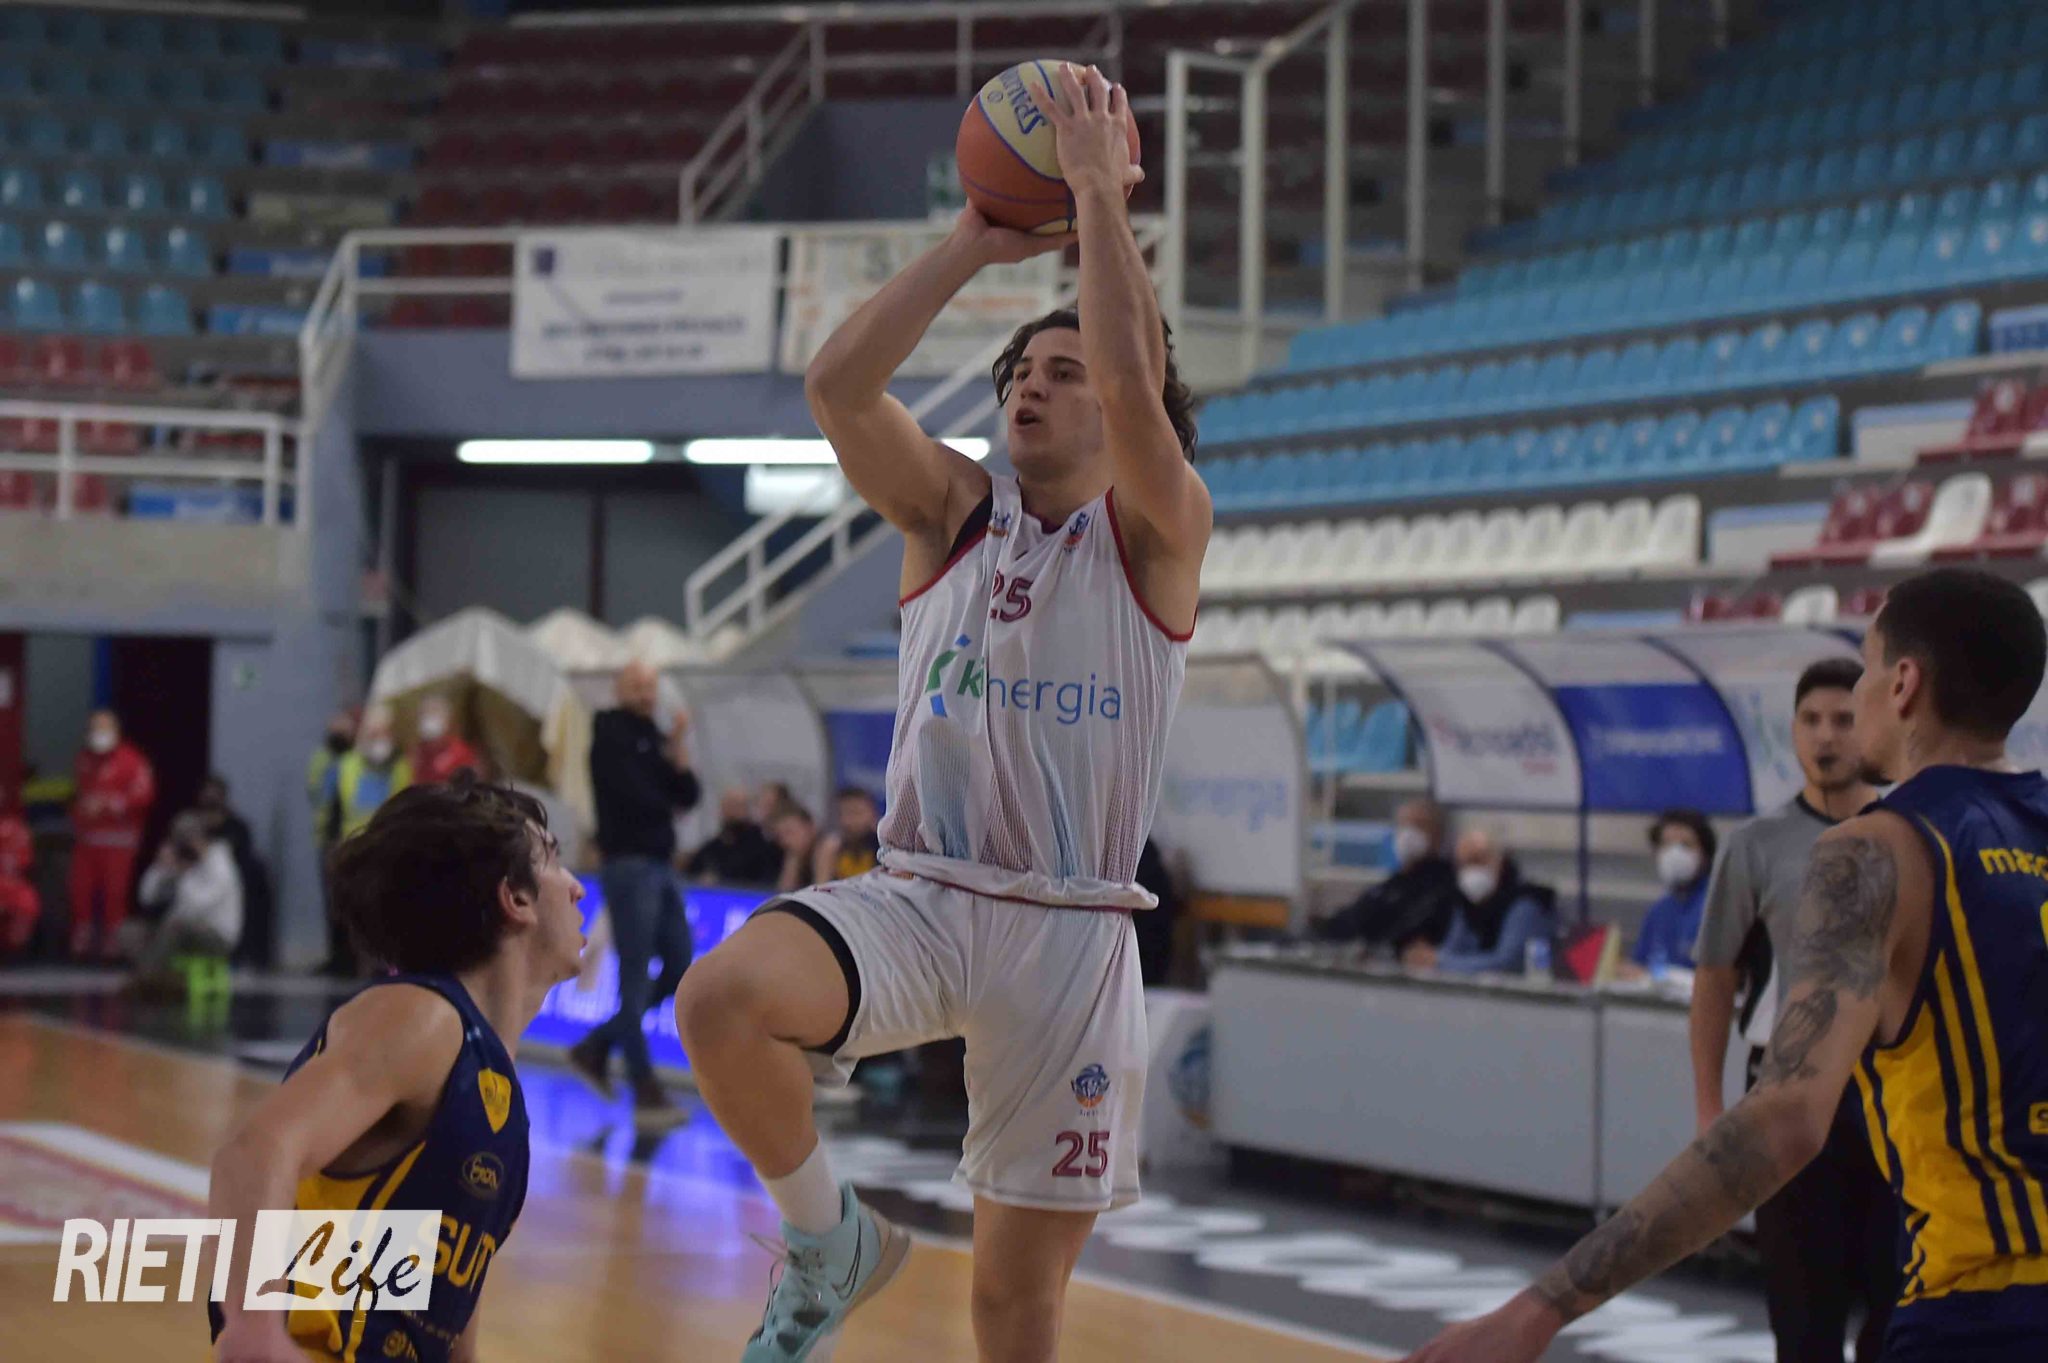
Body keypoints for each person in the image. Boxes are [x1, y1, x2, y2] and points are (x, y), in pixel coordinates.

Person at [674, 63, 1208, 1363]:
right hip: (920, 891)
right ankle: (829, 1237)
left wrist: (1097, 198)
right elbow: (838, 388)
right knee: (720, 997)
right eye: (1020, 368)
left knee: (1012, 1309)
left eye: (1062, 372)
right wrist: (972, 240)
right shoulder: (954, 510)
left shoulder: (1157, 533)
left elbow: (1134, 386)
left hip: (1071, 934)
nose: (1030, 384)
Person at [1403, 567, 2048, 1363]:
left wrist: (1540, 1306)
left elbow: (1785, 1118)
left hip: (1985, 1309)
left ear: (1904, 683)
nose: (1858, 696)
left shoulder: (1876, 850)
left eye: (1868, 667)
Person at [206, 776, 583, 1363]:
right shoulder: (422, 1017)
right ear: (516, 898)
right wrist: (254, 1327)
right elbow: (254, 1151)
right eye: (553, 860)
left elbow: (445, 1310)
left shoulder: (490, 1073)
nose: (577, 886)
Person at [1687, 655, 1896, 1363]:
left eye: (1843, 719)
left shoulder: (1907, 833)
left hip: (1894, 1091)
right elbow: (1715, 978)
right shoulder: (1754, 844)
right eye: (1810, 720)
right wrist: (1710, 1108)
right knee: (1804, 1316)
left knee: (1899, 1307)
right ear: (1793, 732)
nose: (1826, 735)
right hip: (1786, 1090)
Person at [567, 661, 701, 1122]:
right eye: (637, 685)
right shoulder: (610, 734)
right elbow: (640, 797)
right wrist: (665, 790)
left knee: (681, 965)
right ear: (619, 689)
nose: (646, 693)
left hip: (661, 866)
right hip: (628, 866)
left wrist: (678, 746)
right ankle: (643, 1086)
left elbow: (688, 795)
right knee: (635, 976)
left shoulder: (655, 737)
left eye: (651, 685)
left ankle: (596, 1045)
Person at [1401, 828, 1558, 976]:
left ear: (1500, 861)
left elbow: (1507, 964)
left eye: (1479, 860)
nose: (1472, 869)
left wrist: (1440, 961)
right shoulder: (1467, 903)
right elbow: (1454, 949)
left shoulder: (1526, 903)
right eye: (1465, 863)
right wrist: (1428, 958)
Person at [1314, 799, 1461, 952]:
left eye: (1418, 825)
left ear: (1438, 834)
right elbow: (1353, 918)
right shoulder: (1391, 885)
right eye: (1403, 826)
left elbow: (1398, 933)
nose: (1408, 834)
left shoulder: (1442, 888)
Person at [68, 708, 155, 960]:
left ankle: (113, 944)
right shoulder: (84, 759)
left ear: (116, 731)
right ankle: (82, 940)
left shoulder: (133, 760)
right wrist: (80, 810)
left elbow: (145, 795)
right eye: (94, 728)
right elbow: (79, 792)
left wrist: (109, 804)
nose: (98, 733)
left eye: (103, 728)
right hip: (87, 840)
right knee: (79, 890)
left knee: (115, 893)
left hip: (119, 841)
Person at [131, 811, 242, 982]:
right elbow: (146, 897)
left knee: (174, 928)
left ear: (199, 838)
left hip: (217, 935)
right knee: (132, 932)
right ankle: (155, 979)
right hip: (183, 929)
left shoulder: (219, 863)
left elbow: (198, 906)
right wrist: (160, 868)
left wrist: (184, 874)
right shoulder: (185, 862)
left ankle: (146, 980)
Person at [1623, 809, 1715, 978]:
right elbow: (1638, 966)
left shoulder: (1718, 906)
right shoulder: (1658, 911)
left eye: (1686, 845)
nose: (1675, 853)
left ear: (1705, 855)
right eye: (1666, 844)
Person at [196, 773, 274, 969]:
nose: (210, 799)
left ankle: (251, 955)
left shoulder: (237, 826)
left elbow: (241, 855)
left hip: (234, 884)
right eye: (207, 794)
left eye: (215, 795)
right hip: (203, 882)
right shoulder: (195, 828)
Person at [307, 709, 357, 975]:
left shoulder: (359, 759)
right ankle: (336, 957)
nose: (338, 730)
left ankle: (353, 959)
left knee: (353, 900)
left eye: (343, 726)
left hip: (353, 837)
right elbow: (315, 790)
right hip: (328, 836)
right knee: (332, 901)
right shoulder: (323, 758)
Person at [686, 787, 783, 885]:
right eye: (729, 805)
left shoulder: (761, 846)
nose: (732, 811)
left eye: (737, 805)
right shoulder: (711, 848)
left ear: (748, 810)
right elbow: (692, 872)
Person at [811, 786, 882, 884]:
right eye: (844, 813)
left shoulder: (884, 847)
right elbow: (820, 886)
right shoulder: (832, 848)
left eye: (856, 813)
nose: (849, 821)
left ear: (873, 814)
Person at [0, 780, 38, 956]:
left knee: (27, 901)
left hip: (11, 885)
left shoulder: (16, 828)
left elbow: (25, 864)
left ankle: (12, 950)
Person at [412, 694, 484, 785]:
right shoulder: (419, 751)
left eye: (434, 712)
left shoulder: (460, 752)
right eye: (424, 714)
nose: (428, 718)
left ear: (446, 718)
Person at [770, 803, 819, 895]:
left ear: (811, 828)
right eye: (780, 836)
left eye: (790, 832)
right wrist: (793, 861)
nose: (785, 841)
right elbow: (782, 894)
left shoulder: (829, 850)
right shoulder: (788, 856)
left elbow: (820, 894)